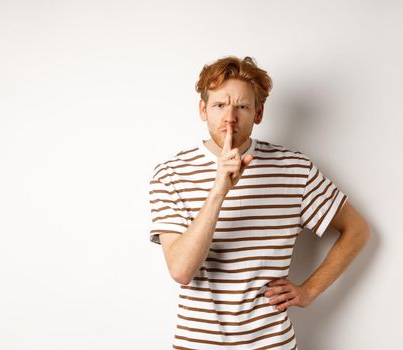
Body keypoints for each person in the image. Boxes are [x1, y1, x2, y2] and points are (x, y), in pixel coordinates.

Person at [148, 55, 370, 350]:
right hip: (196, 344)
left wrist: (309, 290)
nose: (230, 118)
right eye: (219, 105)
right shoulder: (171, 174)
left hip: (270, 343)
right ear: (203, 109)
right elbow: (181, 270)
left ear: (258, 113)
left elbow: (356, 230)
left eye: (241, 106)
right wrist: (219, 190)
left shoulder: (294, 168)